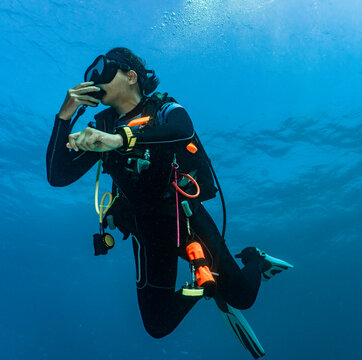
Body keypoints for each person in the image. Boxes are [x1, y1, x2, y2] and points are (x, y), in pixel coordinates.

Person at [46, 47, 292, 358]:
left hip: (185, 218)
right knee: (157, 325)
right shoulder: (101, 129)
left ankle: (256, 259)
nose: (95, 80)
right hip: (146, 232)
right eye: (90, 76)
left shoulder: (163, 108)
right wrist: (64, 116)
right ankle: (205, 284)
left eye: (104, 70)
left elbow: (183, 129)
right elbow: (57, 175)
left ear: (131, 75)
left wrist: (122, 139)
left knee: (243, 297)